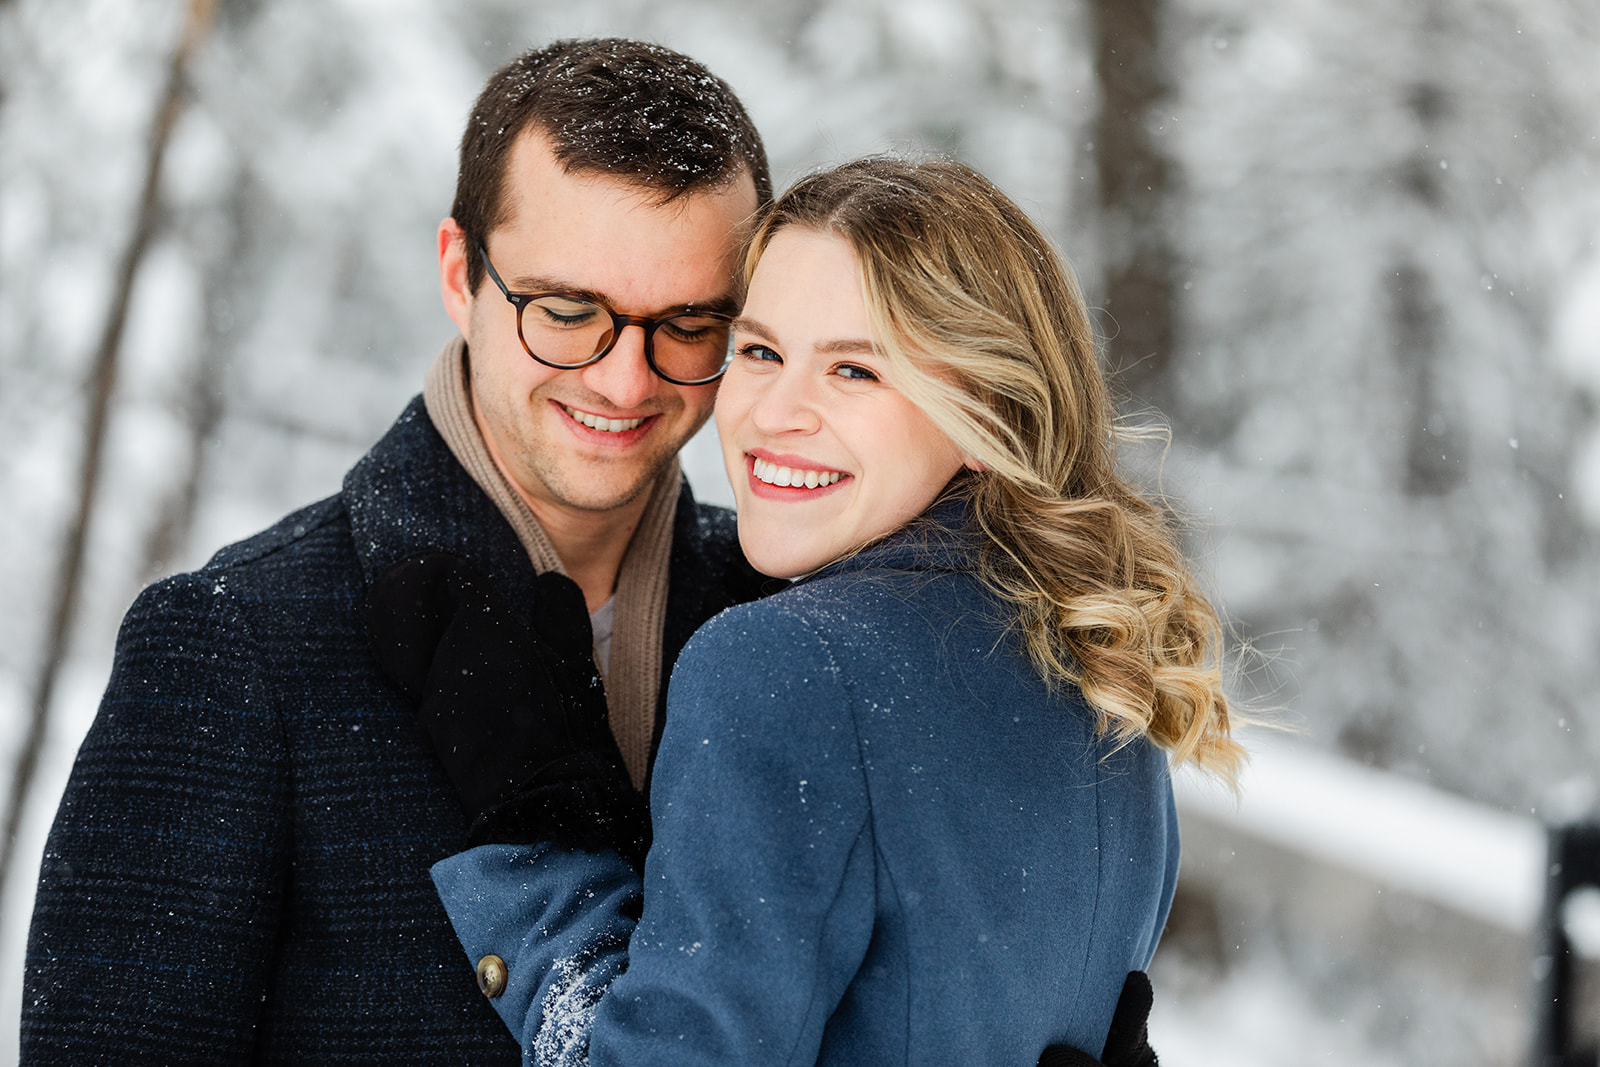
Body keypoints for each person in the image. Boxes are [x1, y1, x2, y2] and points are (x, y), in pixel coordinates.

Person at [383, 157, 1244, 1064]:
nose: (773, 413)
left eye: (855, 371)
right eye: (759, 351)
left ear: (987, 410)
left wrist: (542, 837)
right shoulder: (1102, 662)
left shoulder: (787, 665)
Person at [22, 39, 774, 1063]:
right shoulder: (235, 641)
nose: (626, 379)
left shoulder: (783, 616)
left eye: (689, 324)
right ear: (460, 274)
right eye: (566, 312)